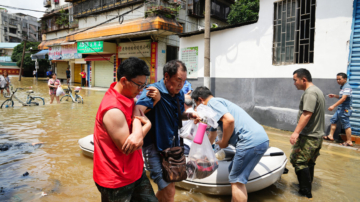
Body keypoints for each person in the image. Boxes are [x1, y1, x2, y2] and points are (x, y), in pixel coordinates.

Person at [93, 57, 157, 202]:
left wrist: (155, 100)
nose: (141, 90)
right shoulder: (113, 110)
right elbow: (128, 147)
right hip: (116, 179)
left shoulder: (126, 95)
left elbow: (136, 108)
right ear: (123, 81)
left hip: (135, 171)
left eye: (143, 85)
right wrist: (147, 126)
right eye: (139, 85)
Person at [191, 86, 269, 202]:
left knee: (236, 180)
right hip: (260, 139)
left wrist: (224, 142)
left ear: (201, 100)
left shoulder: (212, 103)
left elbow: (229, 120)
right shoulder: (215, 109)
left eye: (197, 104)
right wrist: (206, 154)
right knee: (233, 170)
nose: (198, 108)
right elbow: (212, 135)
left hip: (249, 141)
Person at [136, 60, 200, 202]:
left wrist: (190, 115)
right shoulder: (153, 91)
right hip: (154, 147)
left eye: (183, 81)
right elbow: (136, 112)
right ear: (166, 76)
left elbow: (178, 115)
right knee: (169, 191)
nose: (181, 85)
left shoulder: (179, 94)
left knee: (168, 190)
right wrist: (156, 100)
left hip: (172, 150)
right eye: (178, 80)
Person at [290, 68, 325, 200]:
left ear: (303, 79)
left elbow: (307, 114)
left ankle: (305, 192)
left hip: (309, 136)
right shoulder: (317, 90)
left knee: (298, 161)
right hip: (316, 136)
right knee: (308, 162)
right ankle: (307, 187)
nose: (294, 83)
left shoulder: (310, 93)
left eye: (295, 80)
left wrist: (295, 133)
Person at [325, 73, 353, 146]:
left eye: (339, 79)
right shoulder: (342, 87)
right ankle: (330, 136)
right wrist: (334, 96)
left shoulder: (347, 87)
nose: (338, 81)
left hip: (345, 109)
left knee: (346, 124)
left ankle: (349, 141)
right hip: (340, 108)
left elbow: (343, 99)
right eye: (337, 79)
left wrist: (333, 106)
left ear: (345, 79)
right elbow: (342, 97)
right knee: (333, 120)